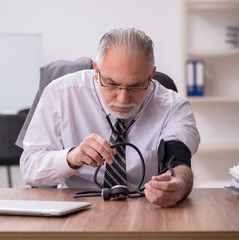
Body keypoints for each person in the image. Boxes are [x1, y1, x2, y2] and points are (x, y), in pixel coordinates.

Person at [20, 28, 200, 207]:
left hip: (145, 208)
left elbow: (178, 163)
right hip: (76, 207)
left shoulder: (174, 106)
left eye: (136, 86)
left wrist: (179, 185)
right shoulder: (60, 93)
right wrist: (72, 157)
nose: (123, 99)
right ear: (96, 70)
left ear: (151, 76)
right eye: (112, 84)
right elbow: (29, 168)